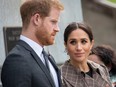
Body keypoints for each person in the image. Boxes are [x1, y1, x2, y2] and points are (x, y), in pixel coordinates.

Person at [1, 0, 64, 87]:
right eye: (53, 22)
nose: (57, 29)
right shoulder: (17, 60)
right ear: (37, 19)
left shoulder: (48, 58)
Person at [60, 22, 112, 87]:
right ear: (66, 45)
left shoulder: (101, 69)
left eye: (83, 41)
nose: (79, 48)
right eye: (73, 42)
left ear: (91, 44)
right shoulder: (59, 76)